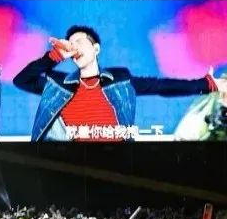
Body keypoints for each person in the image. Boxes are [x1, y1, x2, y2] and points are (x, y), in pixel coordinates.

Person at [13, 25, 227, 142]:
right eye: (70, 43)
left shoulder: (121, 80)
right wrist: (55, 56)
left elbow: (160, 86)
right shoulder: (58, 84)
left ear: (96, 49)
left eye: (79, 41)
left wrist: (208, 84)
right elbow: (22, 80)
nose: (74, 46)